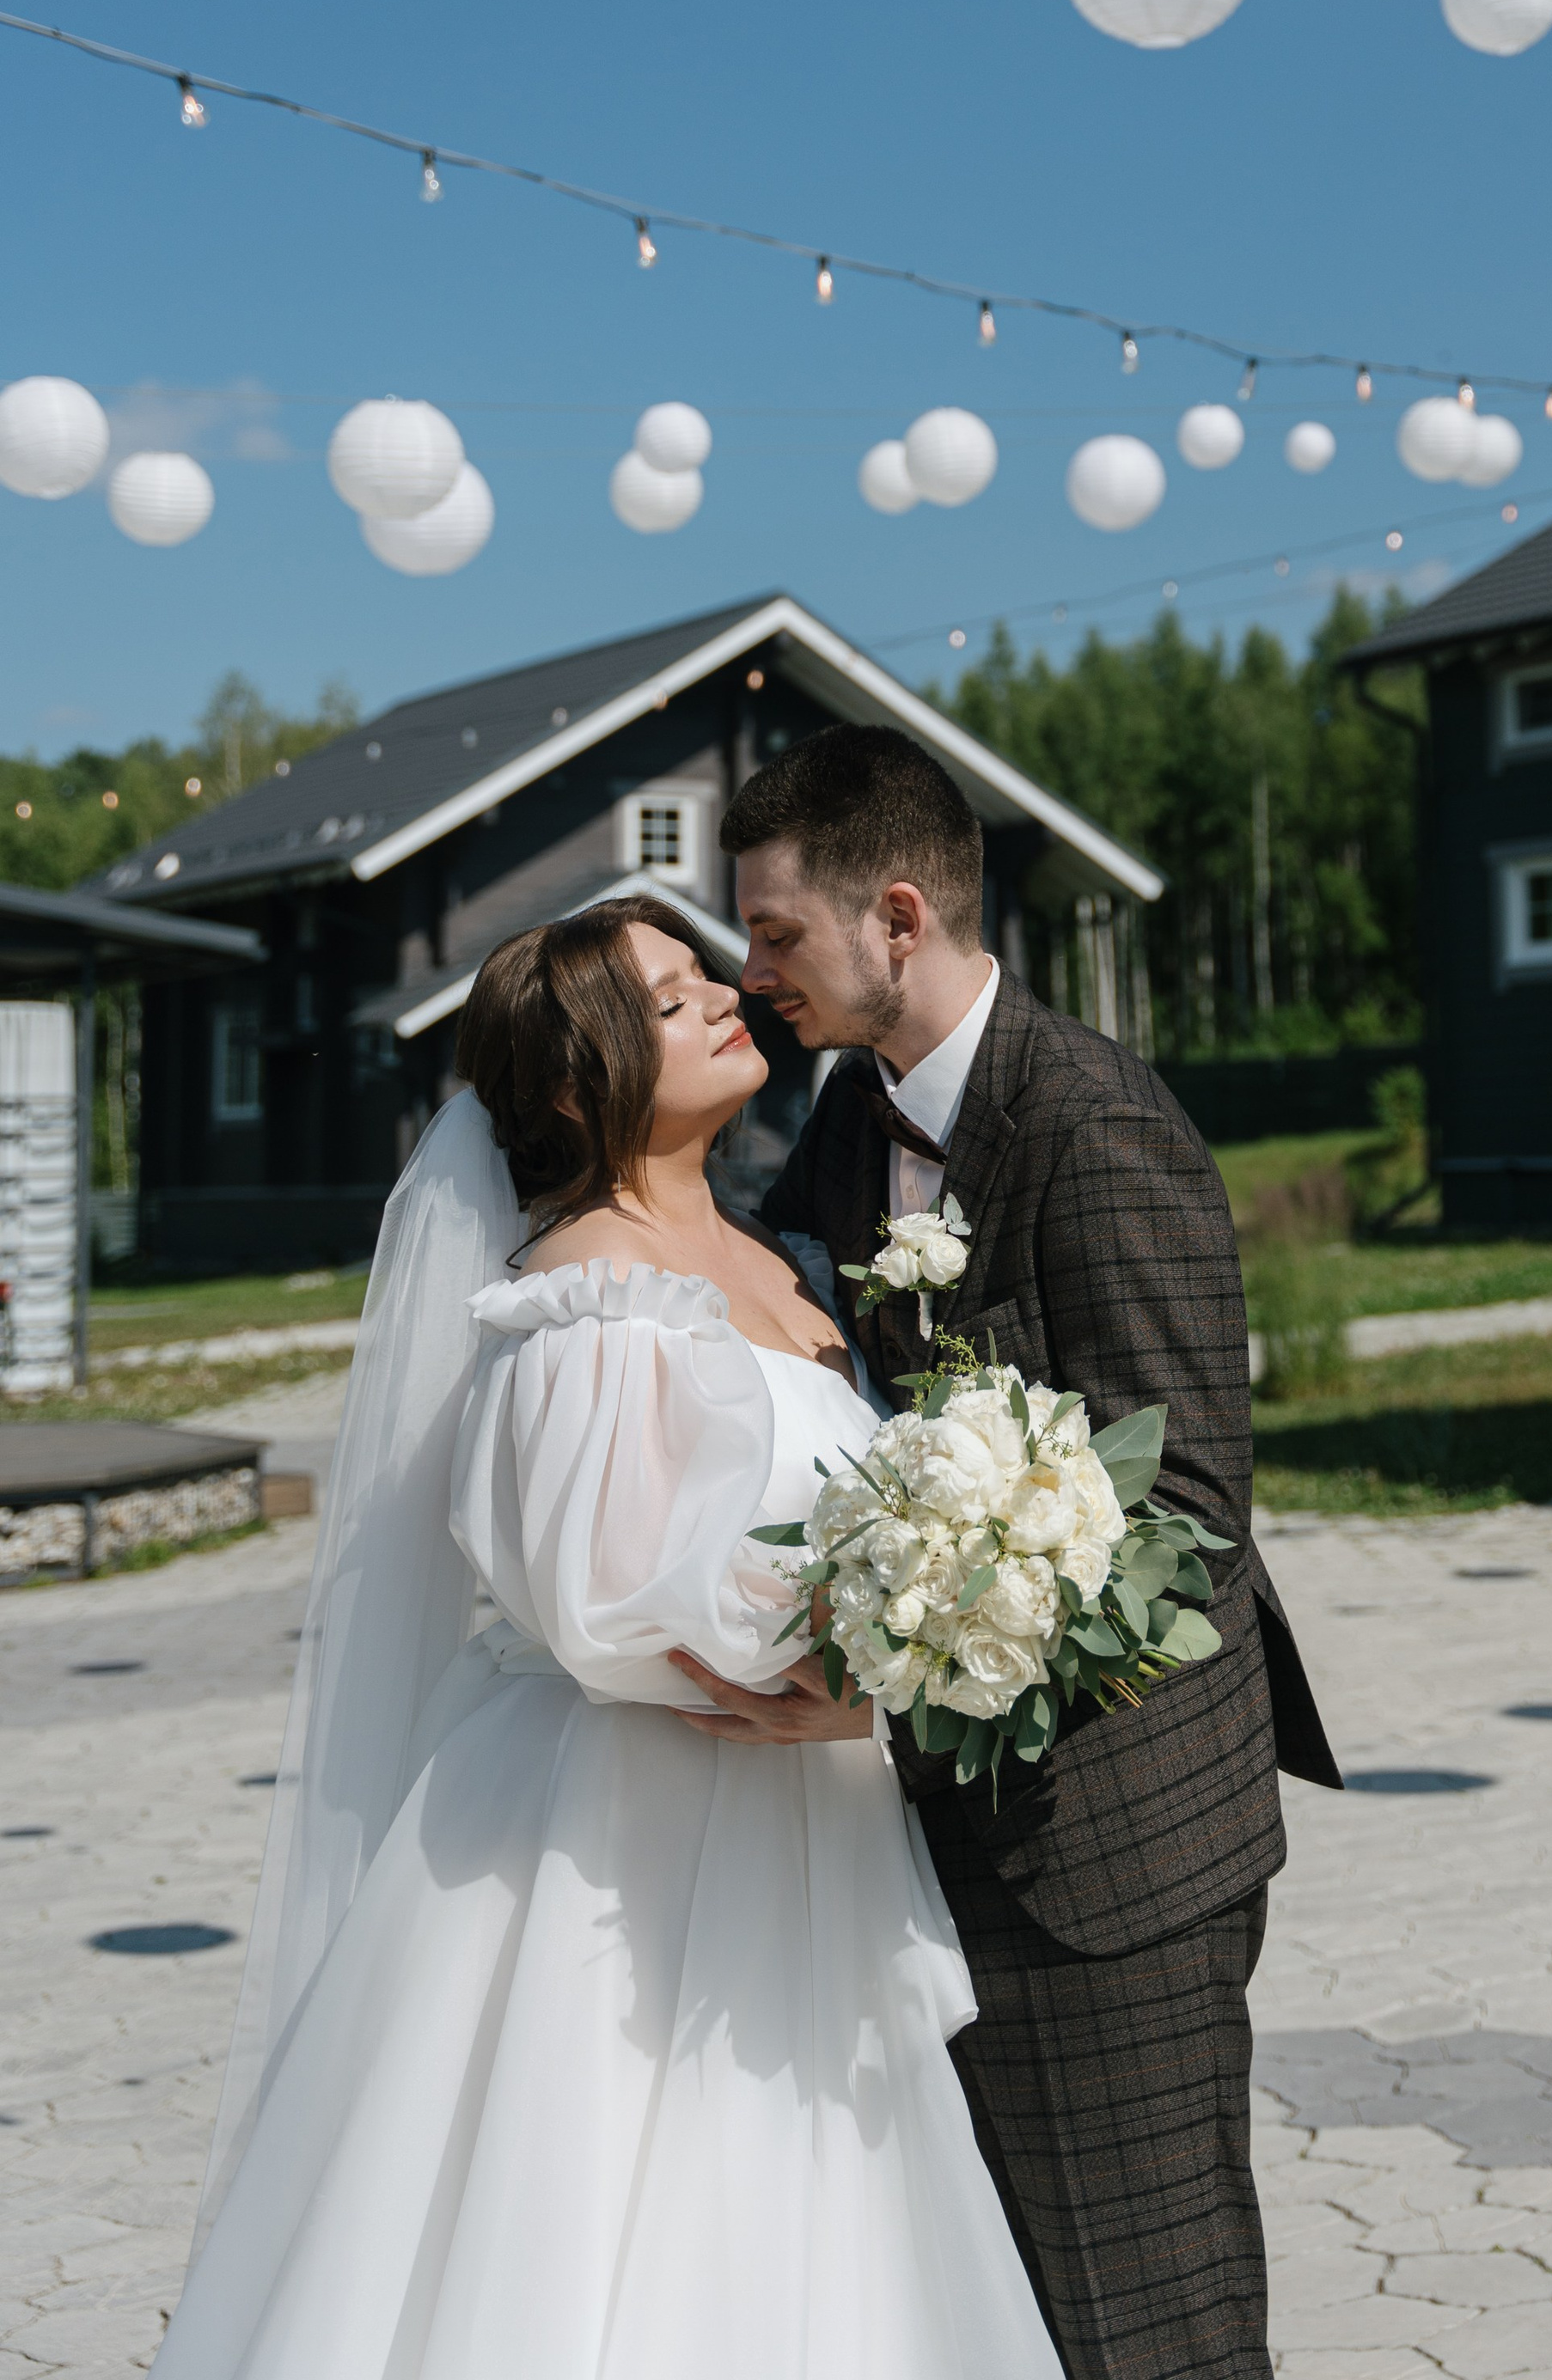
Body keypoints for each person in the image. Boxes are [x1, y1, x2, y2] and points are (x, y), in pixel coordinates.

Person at [159, 895, 1062, 2380]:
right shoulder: (580, 1299)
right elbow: (603, 1594)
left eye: (708, 974)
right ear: (577, 1086)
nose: (719, 997)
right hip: (620, 1854)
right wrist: (891, 1641)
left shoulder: (787, 1268)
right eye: (665, 1000)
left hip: (804, 1828)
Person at [695, 725, 1340, 2380]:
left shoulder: (1096, 1122)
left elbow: (1188, 1520)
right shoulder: (850, 1119)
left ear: (895, 919)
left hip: (1111, 1855)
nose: (752, 971)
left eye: (773, 935)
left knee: (1151, 2331)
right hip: (941, 1841)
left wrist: (896, 1686)